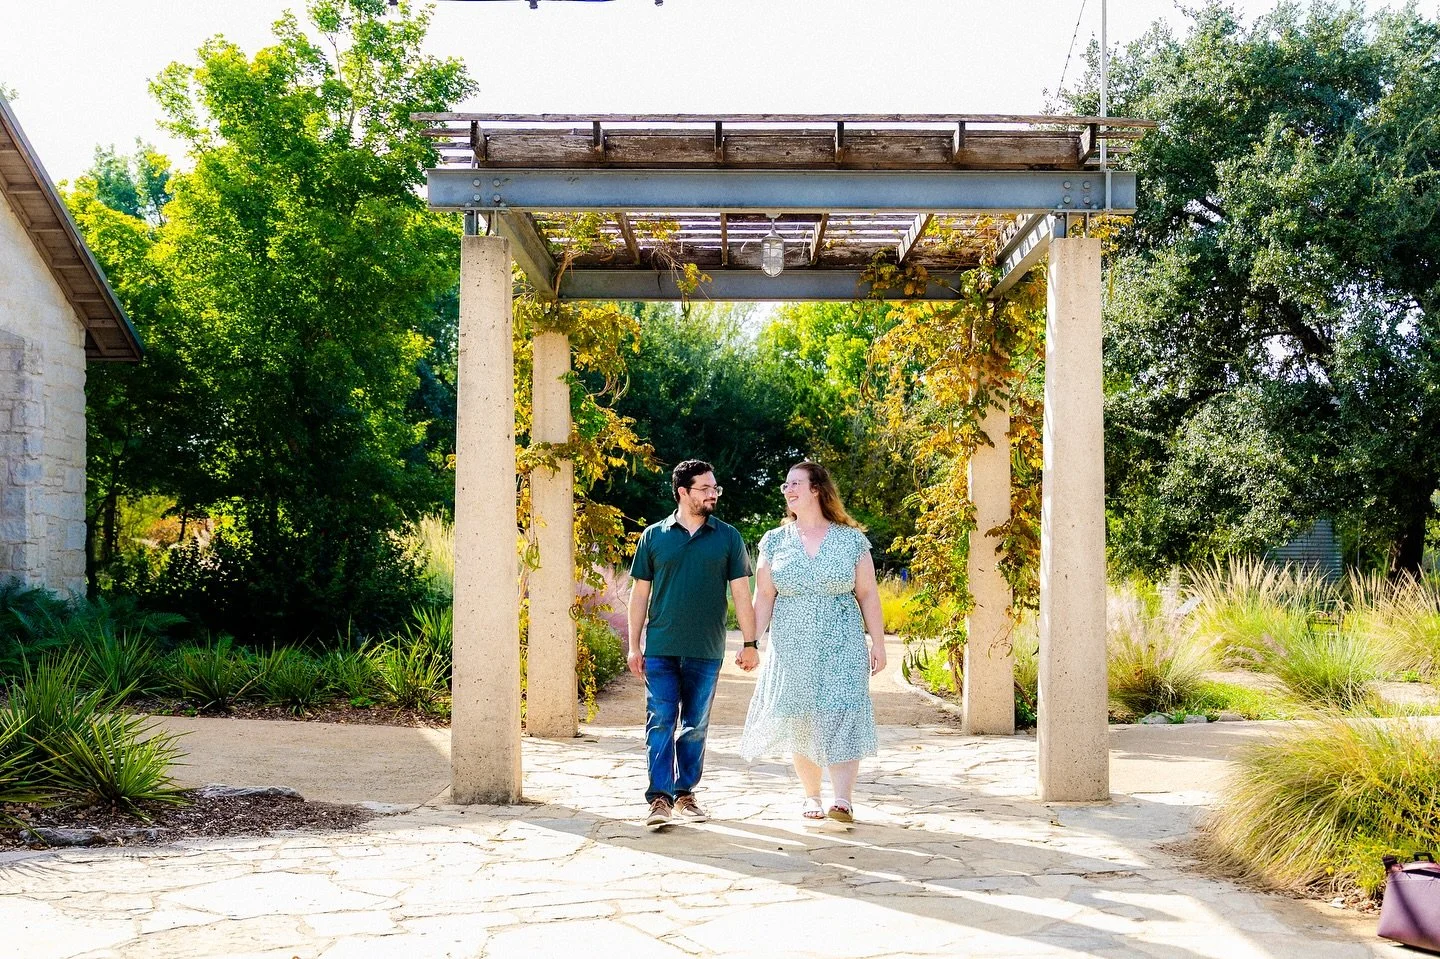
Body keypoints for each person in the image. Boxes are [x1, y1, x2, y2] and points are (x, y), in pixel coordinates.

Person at [737, 460, 887, 824]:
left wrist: (878, 643)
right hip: (792, 646)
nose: (787, 490)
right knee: (801, 718)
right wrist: (751, 642)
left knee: (844, 712)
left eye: (795, 483)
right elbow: (765, 597)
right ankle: (812, 796)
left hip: (842, 640)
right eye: (785, 485)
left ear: (816, 489)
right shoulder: (774, 541)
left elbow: (868, 594)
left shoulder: (852, 540)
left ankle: (842, 799)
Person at [628, 459, 756, 827]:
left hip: (706, 649)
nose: (713, 493)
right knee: (660, 722)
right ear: (684, 492)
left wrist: (750, 642)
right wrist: (634, 645)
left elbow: (741, 595)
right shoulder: (653, 536)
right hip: (662, 648)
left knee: (695, 725)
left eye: (715, 487)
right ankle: (659, 800)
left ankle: (685, 793)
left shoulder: (728, 537)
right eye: (705, 488)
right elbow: (640, 595)